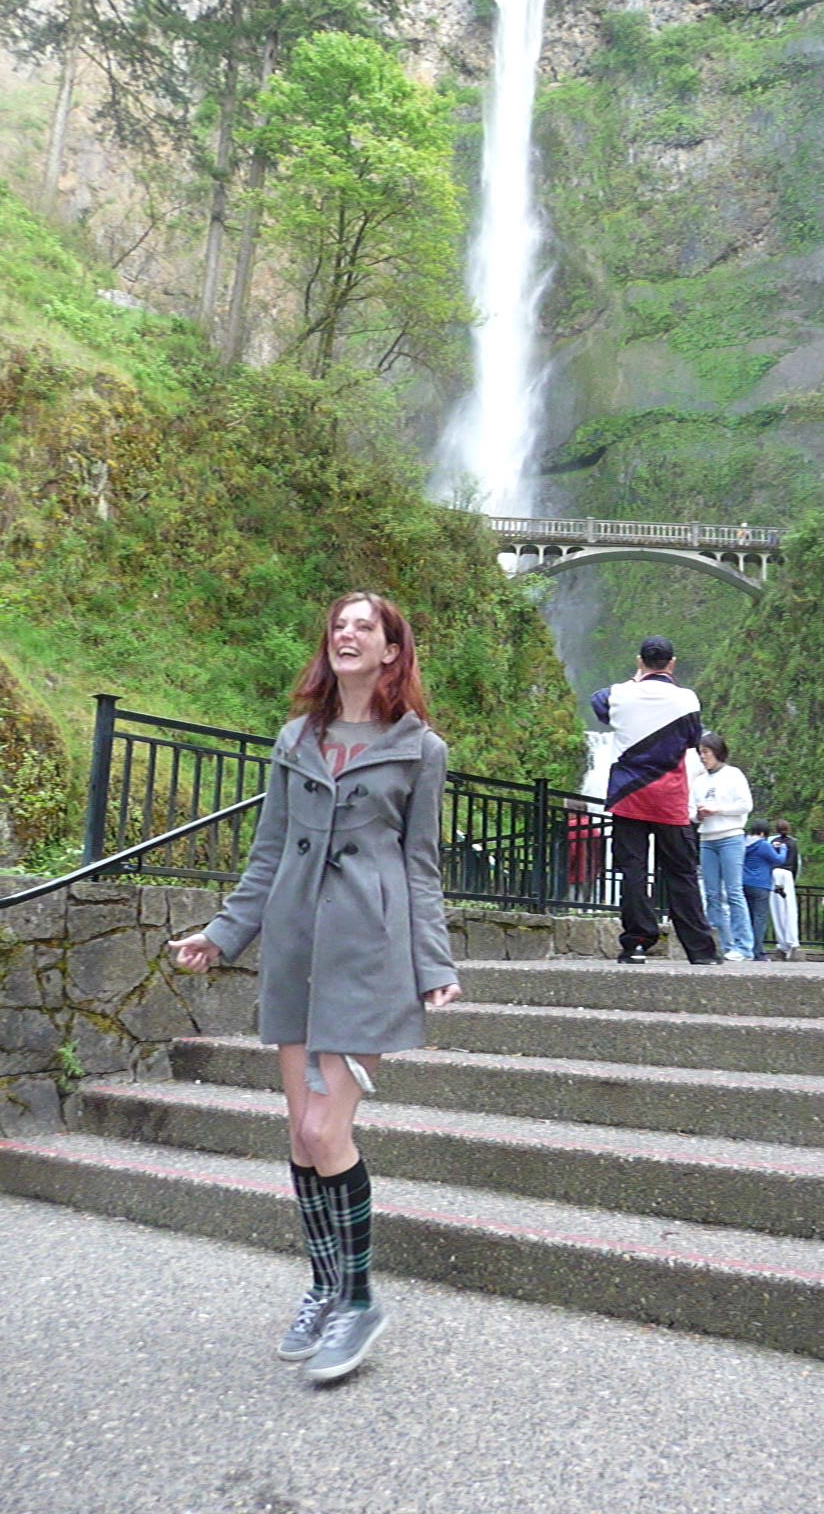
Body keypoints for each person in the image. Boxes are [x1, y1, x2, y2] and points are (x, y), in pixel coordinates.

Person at [168, 591, 462, 1383]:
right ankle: (325, 1289)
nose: (348, 633)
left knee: (330, 1132)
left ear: (393, 651)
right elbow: (267, 855)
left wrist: (431, 965)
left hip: (368, 953)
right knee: (302, 1135)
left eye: (367, 626)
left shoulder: (419, 749)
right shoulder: (296, 737)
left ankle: (360, 1299)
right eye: (339, 623)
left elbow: (422, 866)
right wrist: (224, 933)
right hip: (295, 949)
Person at [590, 637, 719, 965]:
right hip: (669, 798)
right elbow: (693, 739)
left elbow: (598, 702)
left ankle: (636, 943)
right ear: (671, 663)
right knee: (681, 872)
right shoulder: (687, 699)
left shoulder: (618, 695)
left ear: (639, 661)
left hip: (628, 797)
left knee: (632, 870)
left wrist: (633, 681)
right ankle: (701, 950)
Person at [691, 732, 755, 960]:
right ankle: (725, 945)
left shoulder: (733, 775)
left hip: (731, 837)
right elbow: (691, 812)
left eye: (706, 752)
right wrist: (699, 814)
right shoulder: (698, 781)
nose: (702, 757)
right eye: (700, 753)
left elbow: (745, 805)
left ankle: (744, 946)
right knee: (711, 894)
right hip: (707, 839)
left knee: (734, 891)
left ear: (717, 752)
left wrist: (717, 809)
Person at [742, 820, 788, 961]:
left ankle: (746, 949)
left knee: (747, 918)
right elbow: (779, 860)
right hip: (761, 885)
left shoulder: (743, 843)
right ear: (762, 833)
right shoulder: (763, 844)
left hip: (744, 883)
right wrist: (783, 848)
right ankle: (758, 952)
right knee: (760, 919)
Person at [769, 818, 800, 958]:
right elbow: (795, 863)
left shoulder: (771, 843)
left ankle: (781, 942)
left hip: (773, 874)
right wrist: (793, 879)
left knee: (777, 910)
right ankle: (792, 941)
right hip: (786, 874)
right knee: (790, 909)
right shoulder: (792, 843)